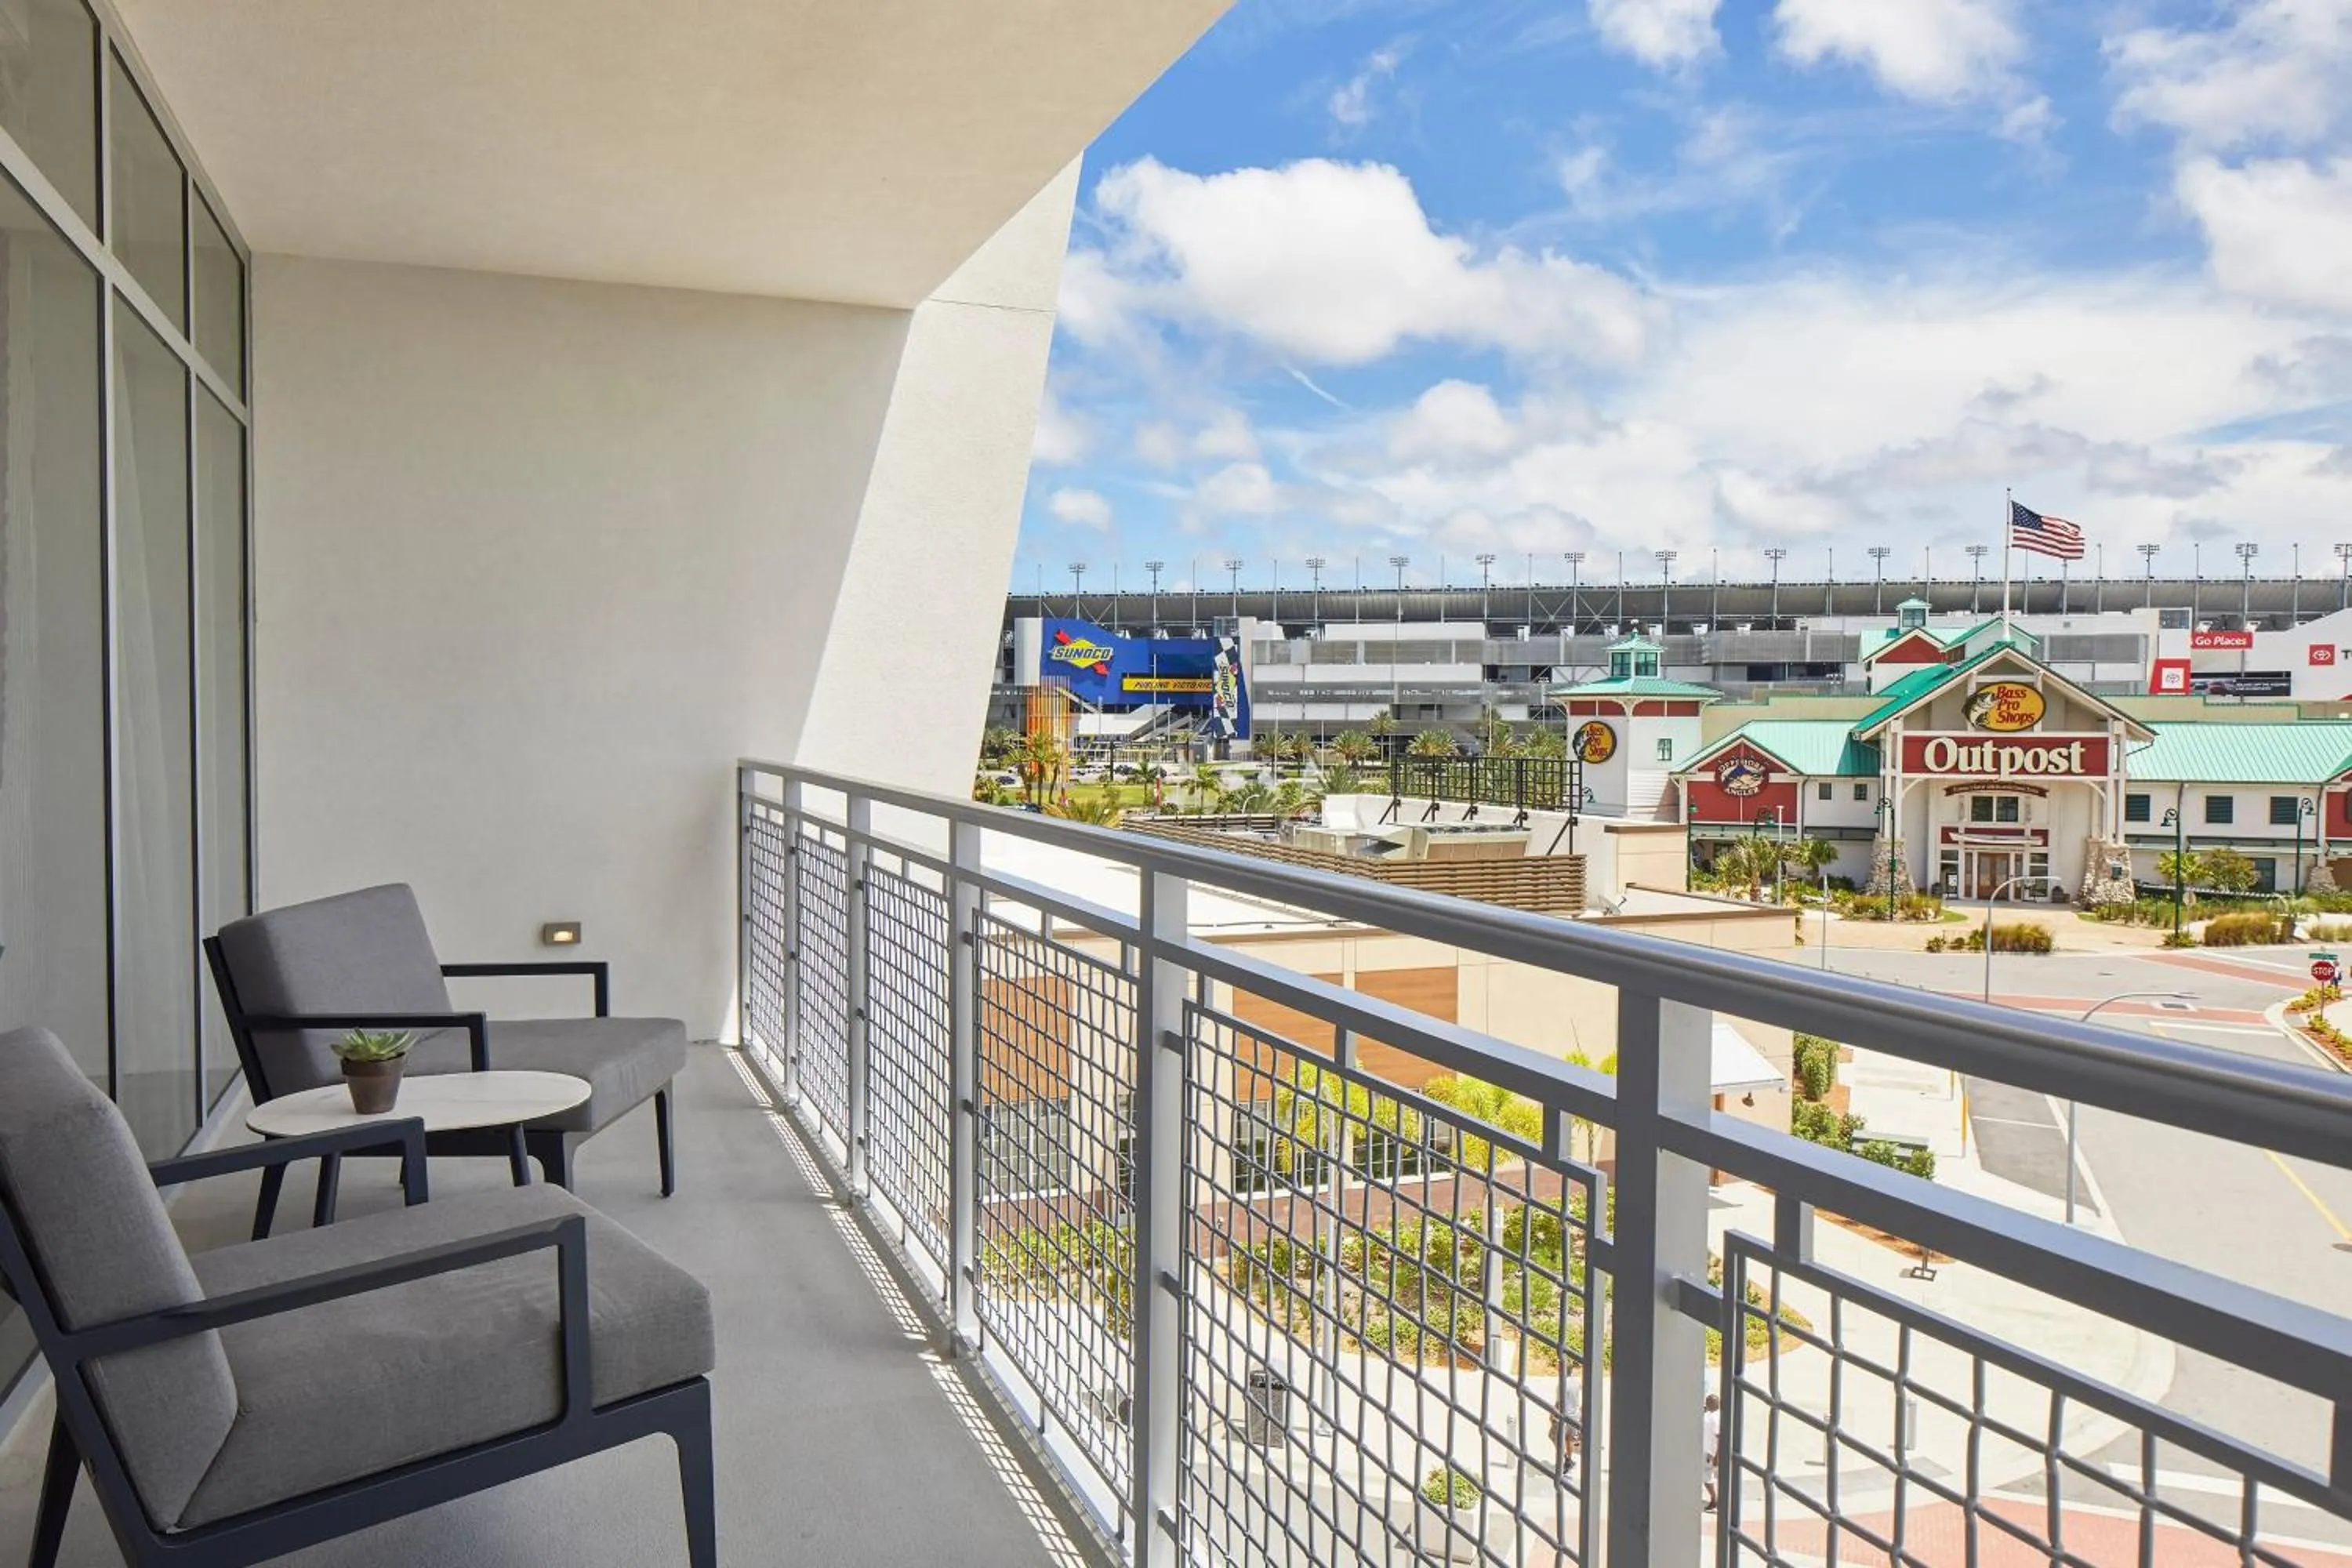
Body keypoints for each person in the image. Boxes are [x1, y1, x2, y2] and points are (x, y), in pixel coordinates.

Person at [1702, 1392, 1722, 1512]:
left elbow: (1720, 1437)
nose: (1707, 1404)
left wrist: (1716, 1456)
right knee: (1710, 1477)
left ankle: (1715, 1500)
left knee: (1707, 1478)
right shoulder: (1711, 1415)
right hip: (1709, 1452)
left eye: (1708, 1402)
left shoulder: (1714, 1419)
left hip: (1710, 1453)